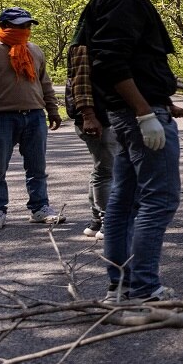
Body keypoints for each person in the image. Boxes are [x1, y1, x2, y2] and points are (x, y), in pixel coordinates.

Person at [83, 0, 183, 303]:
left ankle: (121, 286)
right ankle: (143, 288)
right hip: (136, 115)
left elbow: (137, 62)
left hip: (135, 112)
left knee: (124, 202)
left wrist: (160, 100)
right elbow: (109, 61)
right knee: (158, 199)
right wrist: (145, 112)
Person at [0, 7, 65, 231]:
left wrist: (52, 110)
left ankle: (40, 208)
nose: (25, 29)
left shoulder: (34, 50)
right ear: (5, 25)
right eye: (20, 25)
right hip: (0, 117)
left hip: (34, 115)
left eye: (28, 25)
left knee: (37, 166)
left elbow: (44, 83)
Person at [64, 14, 116, 240]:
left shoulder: (100, 43)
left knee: (102, 167)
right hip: (96, 116)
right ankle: (107, 221)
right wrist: (88, 115)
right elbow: (81, 83)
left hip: (105, 114)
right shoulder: (84, 45)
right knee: (106, 169)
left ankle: (96, 220)